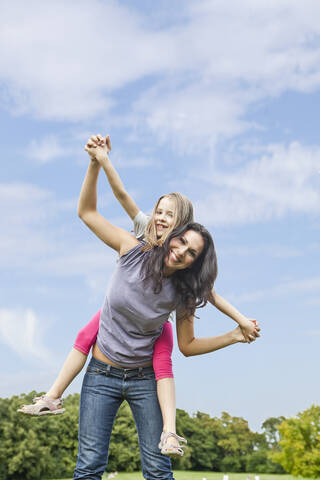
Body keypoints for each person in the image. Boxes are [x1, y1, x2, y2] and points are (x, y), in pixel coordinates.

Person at [18, 135, 259, 456]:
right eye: (159, 211)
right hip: (118, 323)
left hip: (152, 332)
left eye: (169, 215)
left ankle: (170, 433)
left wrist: (239, 326)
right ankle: (53, 395)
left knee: (163, 358)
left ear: (183, 227)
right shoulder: (141, 236)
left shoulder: (186, 277)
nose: (160, 218)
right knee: (91, 329)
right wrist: (99, 161)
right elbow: (116, 197)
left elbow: (210, 295)